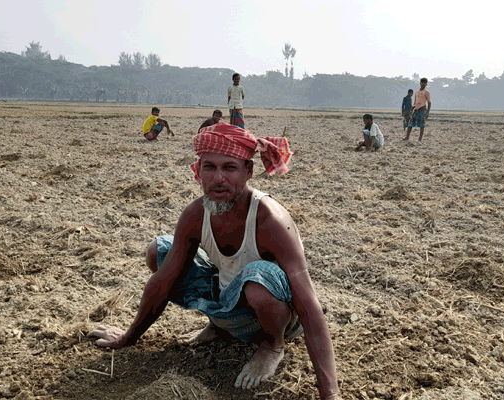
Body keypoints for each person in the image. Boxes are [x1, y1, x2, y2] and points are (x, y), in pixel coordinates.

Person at [87, 122, 342, 400]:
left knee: (257, 276)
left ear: (248, 171)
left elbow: (308, 304)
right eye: (210, 167)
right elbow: (164, 281)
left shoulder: (270, 220)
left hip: (276, 314)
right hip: (231, 302)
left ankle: (271, 346)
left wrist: (330, 394)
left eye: (229, 168)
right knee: (159, 251)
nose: (218, 178)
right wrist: (129, 337)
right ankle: (220, 326)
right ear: (199, 171)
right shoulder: (196, 214)